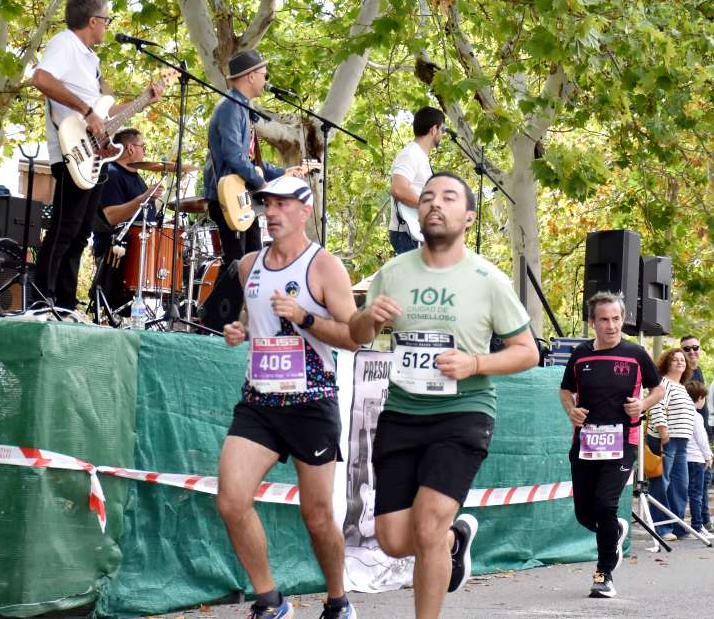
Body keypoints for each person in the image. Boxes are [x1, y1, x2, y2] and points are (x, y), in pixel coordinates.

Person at [348, 172, 539, 619]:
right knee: (396, 539)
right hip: (401, 412)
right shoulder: (392, 273)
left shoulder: (487, 279)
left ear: (468, 216)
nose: (435, 203)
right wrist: (368, 317)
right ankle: (456, 540)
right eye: (427, 196)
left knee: (429, 524)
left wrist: (475, 363)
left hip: (463, 411)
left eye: (449, 197)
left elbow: (526, 352)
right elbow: (356, 335)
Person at [215, 176, 361, 619]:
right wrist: (238, 330)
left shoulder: (324, 267)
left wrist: (304, 318)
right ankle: (270, 601)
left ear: (304, 210)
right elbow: (249, 314)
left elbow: (354, 336)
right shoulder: (248, 265)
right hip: (259, 401)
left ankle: (338, 601)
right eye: (266, 205)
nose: (271, 213)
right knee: (231, 499)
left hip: (311, 402)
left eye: (281, 204)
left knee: (316, 516)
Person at [32, 0, 165, 310]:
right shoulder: (65, 43)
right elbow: (41, 78)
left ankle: (62, 303)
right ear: (92, 20)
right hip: (71, 152)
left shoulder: (91, 60)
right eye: (106, 20)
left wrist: (144, 98)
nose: (108, 26)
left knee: (79, 234)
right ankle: (40, 300)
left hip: (92, 156)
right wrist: (86, 111)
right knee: (65, 229)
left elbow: (104, 114)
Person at [558, 291, 663, 598]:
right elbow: (565, 391)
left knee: (606, 503)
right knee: (584, 514)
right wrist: (571, 410)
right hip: (586, 442)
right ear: (592, 322)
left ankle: (604, 574)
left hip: (623, 440)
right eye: (604, 319)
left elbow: (658, 389)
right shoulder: (580, 355)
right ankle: (614, 531)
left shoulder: (636, 354)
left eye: (616, 318)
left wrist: (642, 404)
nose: (611, 325)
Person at [203, 49, 292, 265]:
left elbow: (249, 158)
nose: (266, 79)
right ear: (251, 76)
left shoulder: (243, 107)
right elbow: (234, 156)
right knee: (237, 266)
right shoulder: (231, 107)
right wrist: (261, 183)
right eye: (264, 74)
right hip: (227, 196)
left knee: (251, 263)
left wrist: (283, 172)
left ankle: (236, 300)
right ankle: (216, 300)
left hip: (242, 195)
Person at [89, 128, 164, 319]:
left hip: (142, 252)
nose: (145, 151)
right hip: (117, 255)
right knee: (119, 311)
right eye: (142, 147)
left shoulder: (137, 178)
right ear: (130, 148)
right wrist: (144, 197)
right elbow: (111, 216)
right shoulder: (111, 174)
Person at [646, 348, 696, 540]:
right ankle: (663, 528)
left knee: (680, 485)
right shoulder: (663, 383)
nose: (679, 362)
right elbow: (657, 406)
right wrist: (663, 432)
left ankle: (679, 527)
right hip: (666, 440)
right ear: (667, 363)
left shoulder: (682, 386)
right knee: (661, 483)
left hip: (681, 443)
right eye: (674, 360)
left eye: (682, 360)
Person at [387, 106, 444, 255]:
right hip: (407, 235)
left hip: (415, 233)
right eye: (442, 130)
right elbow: (398, 189)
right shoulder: (411, 154)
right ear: (433, 129)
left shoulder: (419, 155)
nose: (442, 134)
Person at [684, 380, 714, 540]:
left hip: (685, 458)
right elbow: (702, 439)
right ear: (699, 398)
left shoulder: (684, 414)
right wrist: (708, 455)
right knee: (697, 494)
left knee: (688, 493)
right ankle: (697, 525)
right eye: (704, 398)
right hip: (697, 459)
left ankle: (693, 524)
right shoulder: (696, 417)